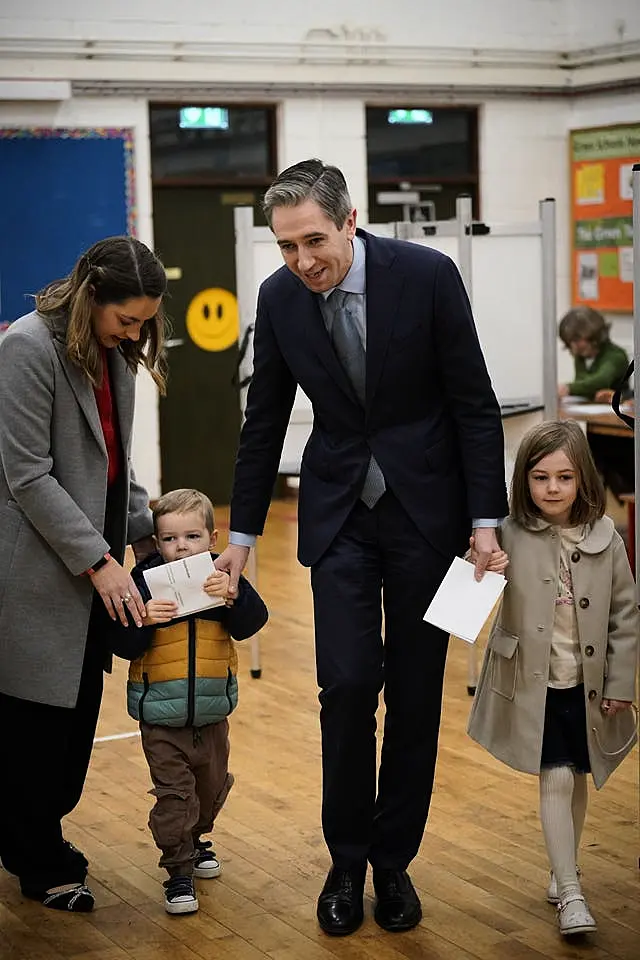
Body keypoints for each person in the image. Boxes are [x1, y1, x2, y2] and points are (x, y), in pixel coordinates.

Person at [216, 159, 508, 936]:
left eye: (314, 239)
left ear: (350, 222)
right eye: (286, 247)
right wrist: (239, 537)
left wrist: (486, 521)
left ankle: (393, 862)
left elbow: (474, 406)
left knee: (415, 697)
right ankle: (345, 860)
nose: (303, 261)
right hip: (341, 513)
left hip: (428, 517)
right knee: (346, 687)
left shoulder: (430, 276)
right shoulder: (281, 298)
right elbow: (264, 422)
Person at [0, 236, 168, 911]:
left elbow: (114, 468)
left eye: (144, 324)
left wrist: (150, 535)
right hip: (38, 572)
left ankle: (30, 836)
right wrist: (100, 561)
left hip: (92, 567)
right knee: (34, 733)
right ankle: (37, 860)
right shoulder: (26, 348)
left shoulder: (114, 358)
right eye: (127, 320)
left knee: (71, 734)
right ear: (91, 295)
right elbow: (27, 475)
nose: (135, 334)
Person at [467, 420, 638, 938]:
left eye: (564, 477)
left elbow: (625, 616)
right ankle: (570, 890)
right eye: (541, 478)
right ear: (525, 481)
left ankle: (563, 872)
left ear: (583, 478)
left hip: (587, 684)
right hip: (532, 685)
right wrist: (484, 566)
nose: (553, 489)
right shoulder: (507, 534)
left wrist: (620, 683)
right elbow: (466, 608)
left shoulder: (607, 538)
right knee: (558, 775)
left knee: (577, 776)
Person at [108, 488, 268, 915]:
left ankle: (197, 840)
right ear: (156, 542)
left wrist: (235, 595)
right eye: (170, 539)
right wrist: (142, 618)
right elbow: (122, 644)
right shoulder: (142, 582)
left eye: (192, 537)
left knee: (211, 788)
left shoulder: (221, 578)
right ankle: (178, 871)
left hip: (213, 714)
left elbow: (252, 625)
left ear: (212, 539)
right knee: (175, 796)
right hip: (160, 718)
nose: (181, 547)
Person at [558, 306, 629, 402]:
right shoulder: (580, 357)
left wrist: (568, 388)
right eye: (569, 342)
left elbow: (601, 380)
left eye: (576, 340)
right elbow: (583, 384)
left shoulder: (616, 355)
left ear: (594, 334)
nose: (574, 347)